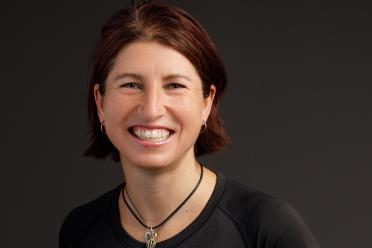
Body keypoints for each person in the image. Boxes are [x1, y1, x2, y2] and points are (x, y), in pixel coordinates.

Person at [59, 1, 320, 247]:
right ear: (100, 102)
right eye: (131, 85)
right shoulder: (80, 230)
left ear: (207, 103)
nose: (151, 109)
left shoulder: (266, 227)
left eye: (174, 86)